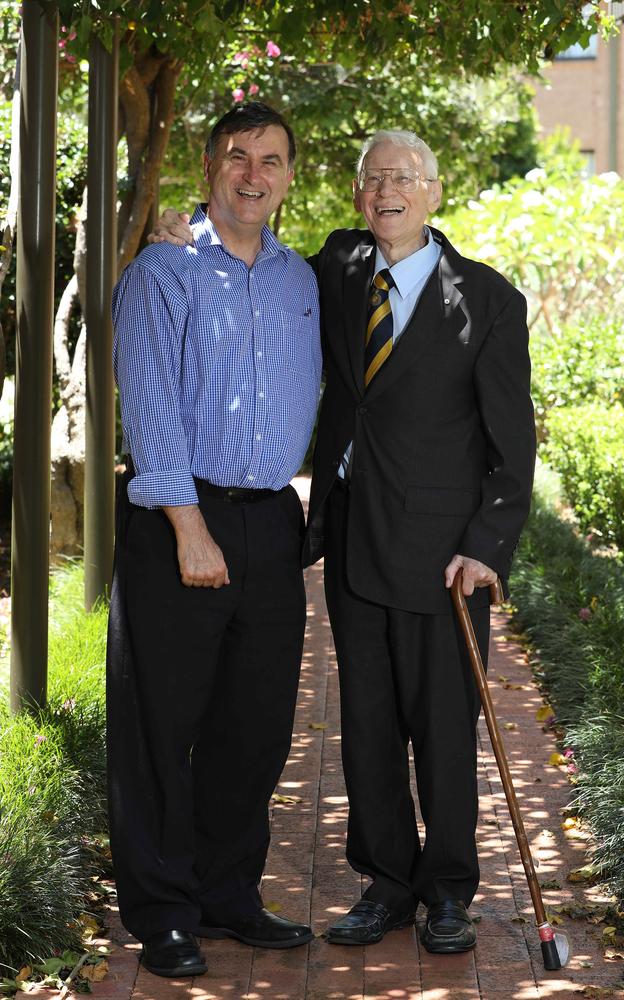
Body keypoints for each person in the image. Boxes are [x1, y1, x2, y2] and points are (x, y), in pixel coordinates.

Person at [152, 126, 536, 955]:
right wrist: (182, 225)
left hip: (445, 561)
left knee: (440, 729)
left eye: (402, 178)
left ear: (433, 191)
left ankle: (448, 891)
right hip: (355, 543)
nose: (384, 191)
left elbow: (515, 445)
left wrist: (487, 547)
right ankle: (387, 883)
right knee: (365, 728)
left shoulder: (491, 299)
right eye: (371, 180)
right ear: (357, 196)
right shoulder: (335, 267)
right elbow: (239, 232)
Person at [108, 102, 321, 979]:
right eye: (238, 155)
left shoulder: (298, 278)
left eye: (270, 160)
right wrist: (189, 526)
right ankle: (161, 913)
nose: (253, 173)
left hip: (271, 522)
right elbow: (150, 399)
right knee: (163, 727)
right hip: (179, 522)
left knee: (255, 725)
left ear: (289, 177)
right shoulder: (164, 268)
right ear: (208, 164)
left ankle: (228, 894)